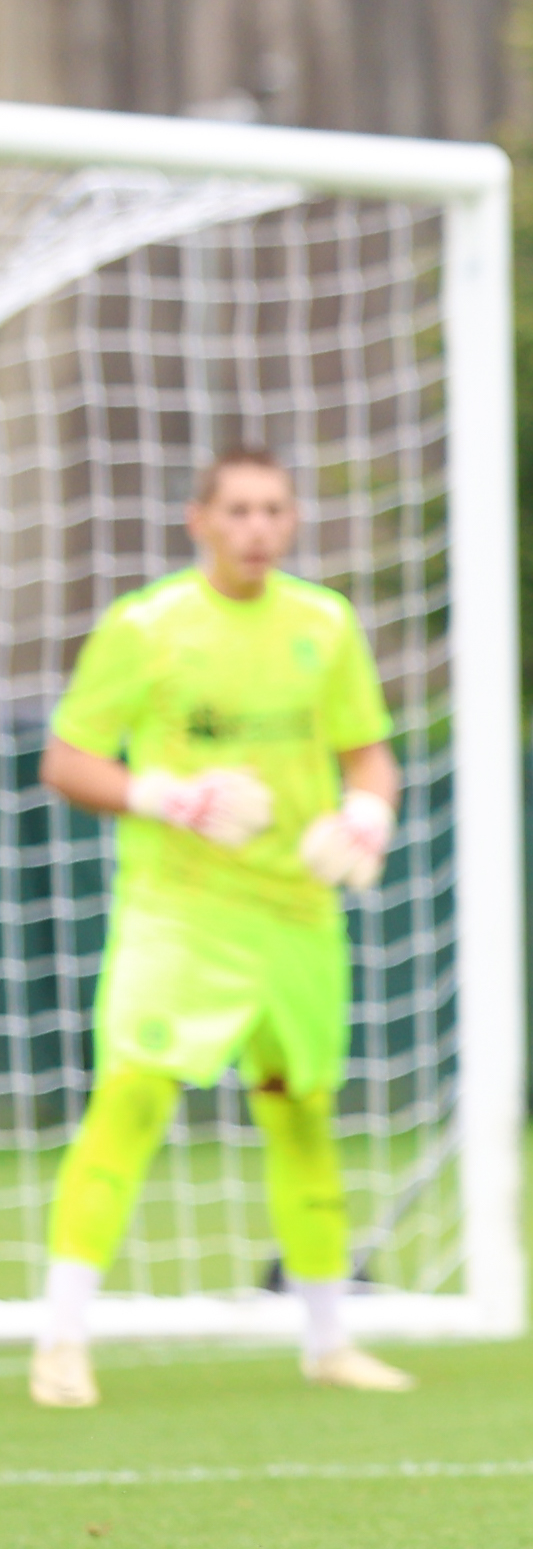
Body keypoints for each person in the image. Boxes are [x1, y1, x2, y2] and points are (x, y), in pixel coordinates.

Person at [29, 446, 411, 1410]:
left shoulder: (325, 626)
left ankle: (328, 1338)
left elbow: (369, 758)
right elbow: (69, 762)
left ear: (291, 522)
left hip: (296, 913)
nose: (257, 528)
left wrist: (367, 815)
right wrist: (167, 795)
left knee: (300, 1112)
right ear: (199, 520)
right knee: (134, 1096)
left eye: (273, 510)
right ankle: (62, 1337)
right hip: (181, 907)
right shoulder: (147, 627)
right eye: (237, 510)